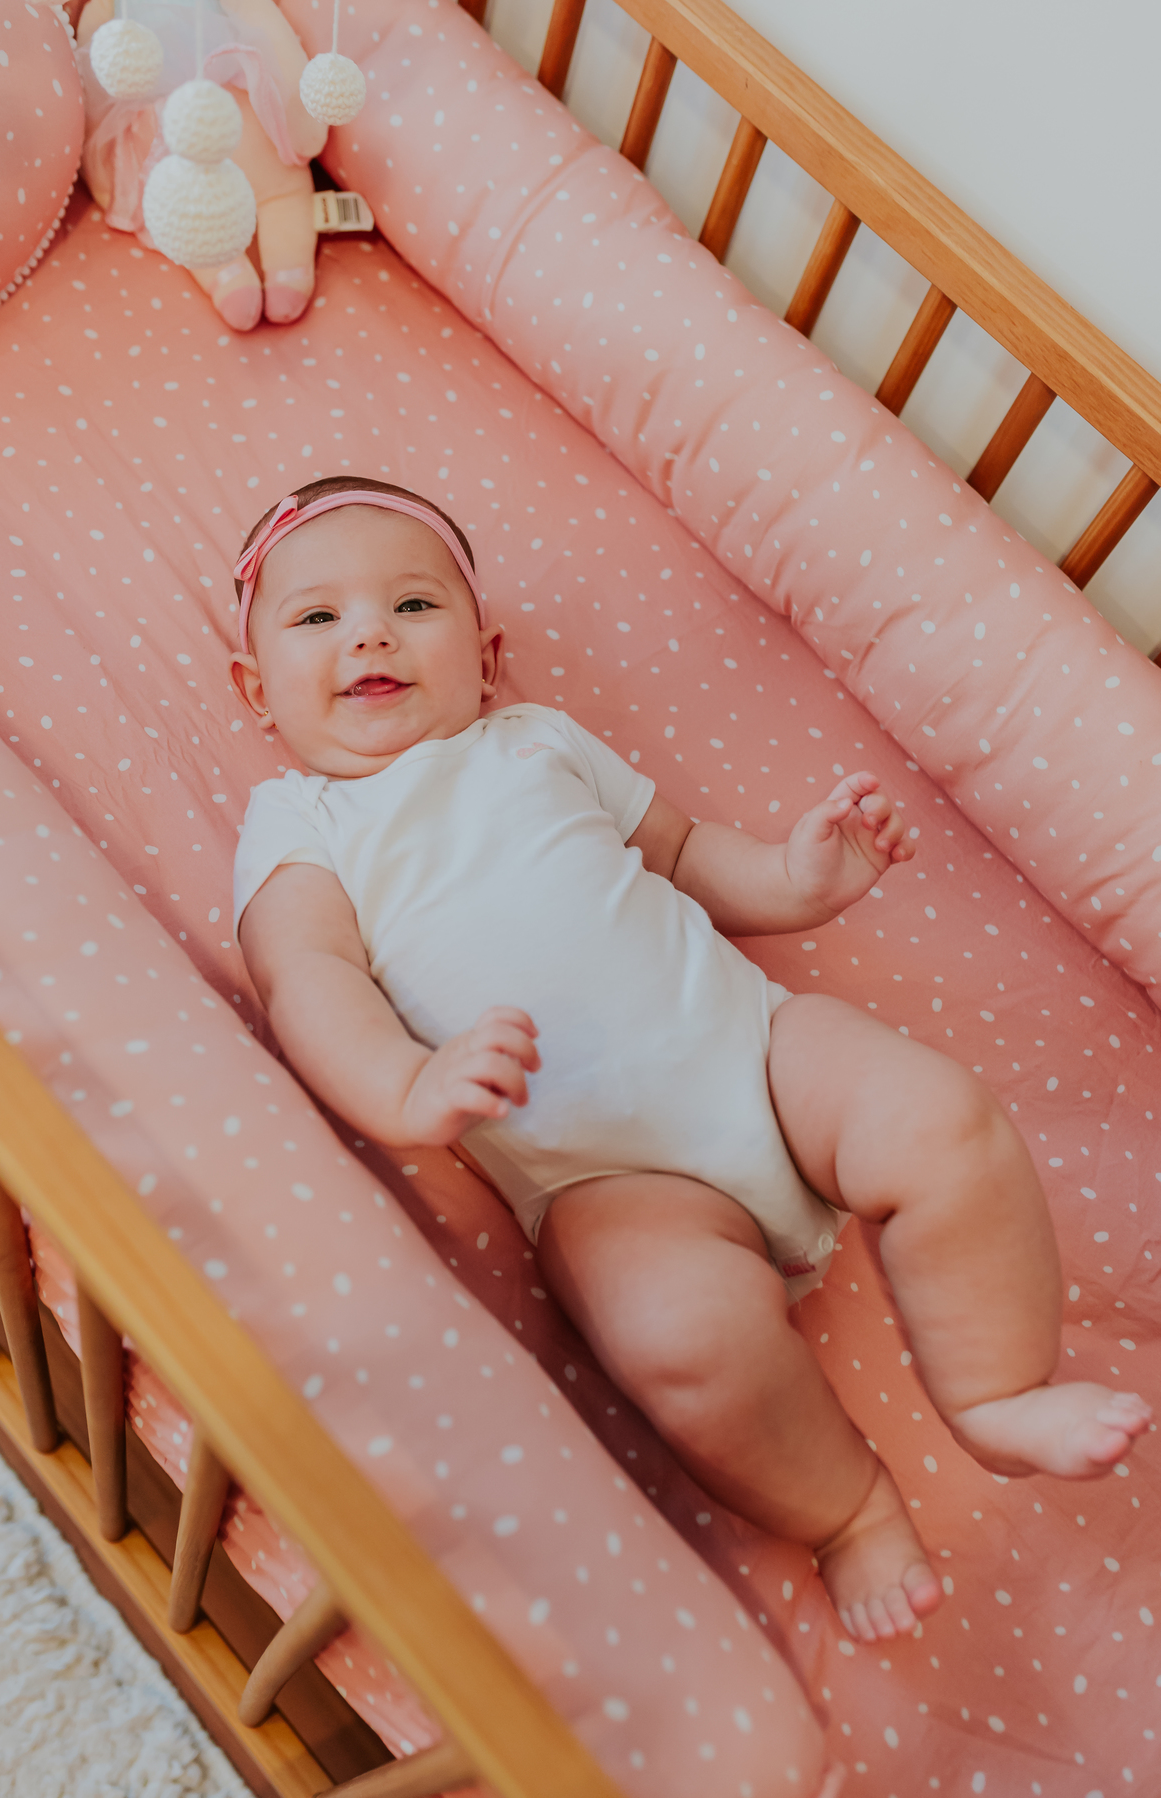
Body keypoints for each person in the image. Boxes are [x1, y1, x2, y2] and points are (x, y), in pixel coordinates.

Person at [229, 476, 1150, 1649]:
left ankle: (997, 1391)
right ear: (255, 689)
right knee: (681, 1340)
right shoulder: (304, 820)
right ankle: (849, 1507)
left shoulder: (537, 743)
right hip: (601, 1177)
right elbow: (308, 979)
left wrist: (800, 880)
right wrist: (410, 1089)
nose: (368, 632)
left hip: (759, 1054)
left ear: (487, 654)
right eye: (316, 618)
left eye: (413, 604)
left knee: (941, 1118)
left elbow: (685, 854)